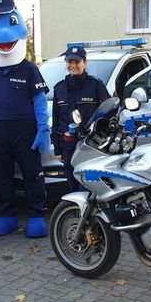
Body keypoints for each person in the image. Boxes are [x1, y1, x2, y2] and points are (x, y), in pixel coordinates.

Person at [0, 0, 50, 238]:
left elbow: (39, 102)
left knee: (32, 175)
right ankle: (7, 215)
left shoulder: (30, 69)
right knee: (2, 177)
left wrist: (43, 129)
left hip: (25, 132)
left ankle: (37, 215)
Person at [52, 46, 110, 192]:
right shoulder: (59, 88)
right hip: (67, 146)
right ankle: (77, 214)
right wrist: (57, 150)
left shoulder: (96, 85)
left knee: (88, 185)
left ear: (85, 62)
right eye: (69, 61)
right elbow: (56, 121)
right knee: (73, 185)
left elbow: (108, 114)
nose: (73, 65)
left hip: (89, 146)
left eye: (77, 62)